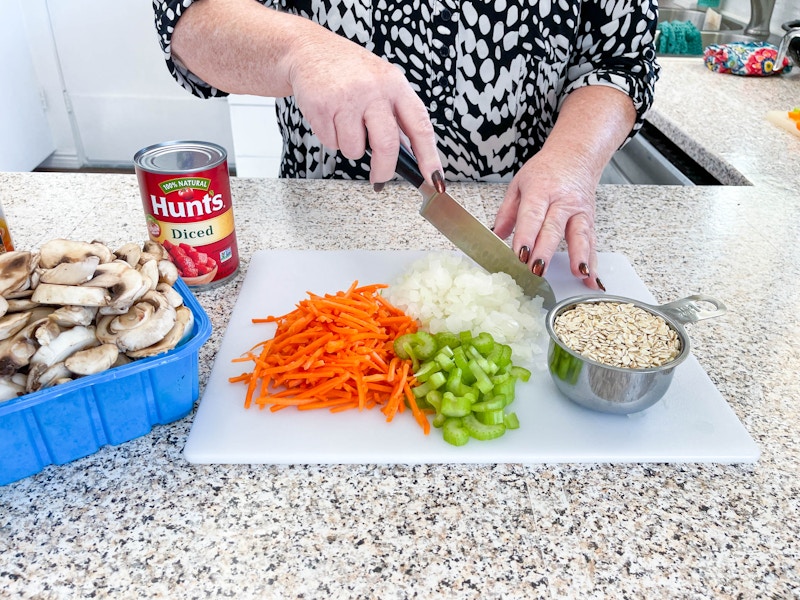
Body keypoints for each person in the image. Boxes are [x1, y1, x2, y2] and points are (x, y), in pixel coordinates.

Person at [153, 0, 659, 290]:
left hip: (525, 212)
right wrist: (301, 50)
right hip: (327, 213)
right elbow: (188, 18)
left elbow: (621, 62)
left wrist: (573, 158)